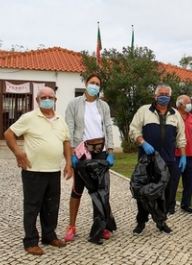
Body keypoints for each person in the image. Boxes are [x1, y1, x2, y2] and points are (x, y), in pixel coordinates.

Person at [4, 87, 72, 255]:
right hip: (34, 170)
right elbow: (8, 134)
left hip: (53, 170)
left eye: (50, 97)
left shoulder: (60, 120)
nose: (47, 99)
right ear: (37, 100)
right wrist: (18, 153)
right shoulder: (28, 118)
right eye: (43, 97)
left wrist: (68, 163)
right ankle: (30, 241)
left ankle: (49, 236)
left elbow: (65, 142)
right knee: (32, 206)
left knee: (51, 205)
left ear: (55, 100)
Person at [63, 73, 116, 243]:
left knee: (100, 190)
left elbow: (108, 126)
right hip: (81, 151)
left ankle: (100, 226)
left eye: (97, 83)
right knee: (77, 188)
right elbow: (69, 128)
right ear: (86, 84)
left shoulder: (104, 106)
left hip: (100, 150)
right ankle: (72, 225)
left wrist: (111, 150)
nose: (94, 85)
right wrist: (71, 154)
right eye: (92, 82)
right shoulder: (74, 104)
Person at [129, 83, 186, 234]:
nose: (164, 97)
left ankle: (161, 221)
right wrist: (142, 142)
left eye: (167, 94)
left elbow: (181, 137)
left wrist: (183, 155)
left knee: (165, 193)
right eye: (161, 94)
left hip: (167, 161)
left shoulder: (175, 114)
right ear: (155, 96)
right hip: (147, 161)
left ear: (170, 97)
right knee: (143, 191)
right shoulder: (144, 111)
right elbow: (133, 130)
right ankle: (141, 221)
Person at [169, 95, 192, 214]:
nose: (190, 104)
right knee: (173, 180)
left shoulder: (191, 117)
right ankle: (170, 205)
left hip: (191, 154)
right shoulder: (172, 116)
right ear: (181, 104)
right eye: (188, 102)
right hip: (176, 155)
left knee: (189, 181)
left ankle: (186, 203)